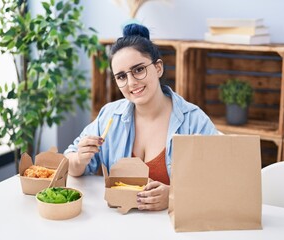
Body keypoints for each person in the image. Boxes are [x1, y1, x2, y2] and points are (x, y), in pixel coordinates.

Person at [64, 23, 218, 211]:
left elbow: (219, 184)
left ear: (158, 68)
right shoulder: (110, 116)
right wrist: (80, 159)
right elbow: (70, 165)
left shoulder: (194, 121)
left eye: (138, 70)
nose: (131, 83)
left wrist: (173, 196)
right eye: (121, 76)